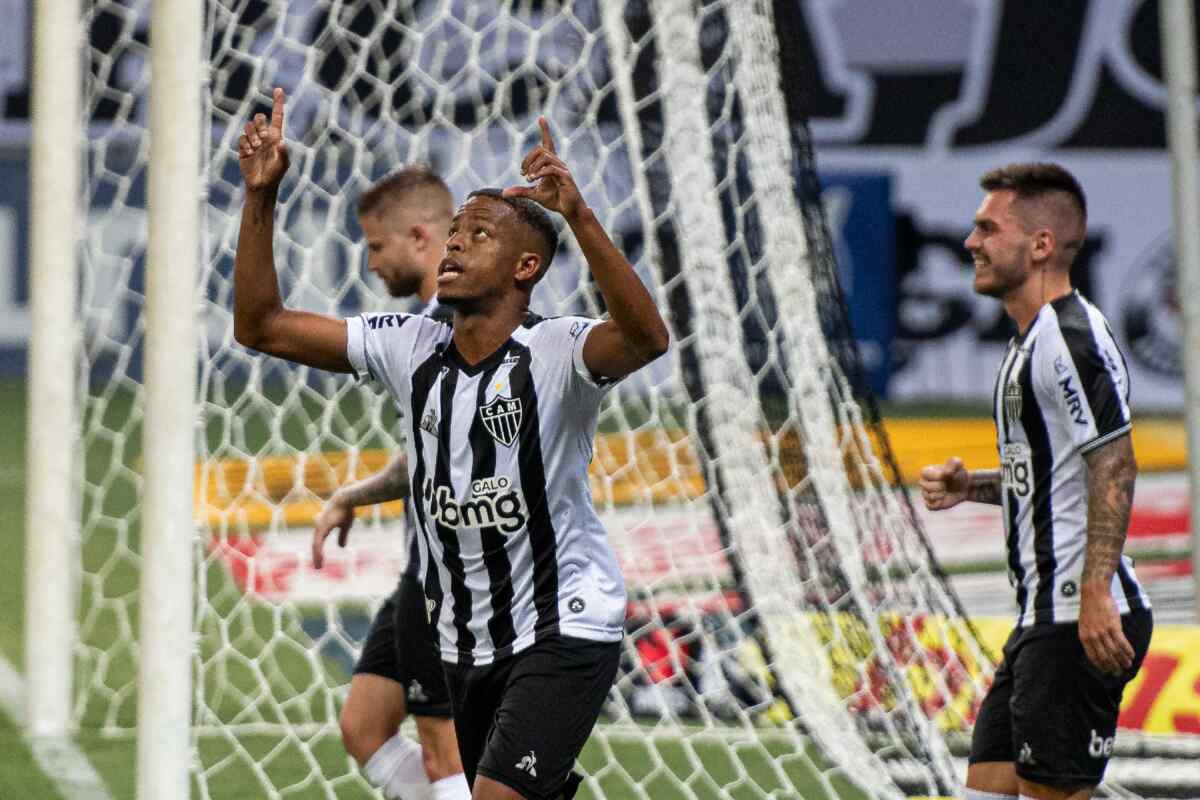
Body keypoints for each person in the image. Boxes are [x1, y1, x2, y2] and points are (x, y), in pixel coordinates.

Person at [234, 88, 669, 800]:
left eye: (480, 233)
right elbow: (262, 327)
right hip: (464, 635)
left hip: (565, 620)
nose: (457, 242)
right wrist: (261, 198)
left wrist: (579, 216)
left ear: (526, 268)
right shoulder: (407, 345)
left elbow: (648, 338)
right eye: (457, 230)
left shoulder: (557, 351)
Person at [919, 163, 1152, 800]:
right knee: (983, 792)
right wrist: (973, 487)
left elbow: (1115, 463)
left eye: (987, 229)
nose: (971, 243)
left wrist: (1096, 594)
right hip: (1042, 619)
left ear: (1041, 245)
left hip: (1076, 617)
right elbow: (1054, 475)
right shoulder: (1031, 341)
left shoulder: (1069, 338)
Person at [307, 165, 469, 799]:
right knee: (364, 726)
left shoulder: (458, 326)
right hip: (422, 568)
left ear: (422, 238)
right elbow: (427, 455)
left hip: (458, 574)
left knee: (444, 751)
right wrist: (352, 493)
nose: (370, 262)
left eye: (378, 246)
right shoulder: (426, 325)